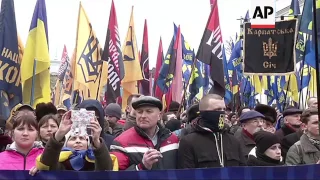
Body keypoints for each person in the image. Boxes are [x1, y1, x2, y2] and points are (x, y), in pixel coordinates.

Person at [111, 96, 179, 170]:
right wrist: (141, 167)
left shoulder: (173, 139)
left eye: (149, 111)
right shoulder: (121, 143)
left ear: (159, 115)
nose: (143, 116)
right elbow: (116, 176)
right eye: (139, 112)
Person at [178, 94, 245, 168]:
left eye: (224, 109)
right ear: (204, 113)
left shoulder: (233, 141)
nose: (222, 113)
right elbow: (186, 173)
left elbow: (242, 171)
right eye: (218, 110)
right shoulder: (188, 142)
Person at [36, 111, 115, 171]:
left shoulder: (94, 161)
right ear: (66, 144)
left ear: (88, 144)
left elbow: (106, 170)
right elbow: (46, 164)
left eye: (82, 138)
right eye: (73, 138)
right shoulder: (61, 162)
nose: (78, 141)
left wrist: (96, 141)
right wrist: (59, 134)